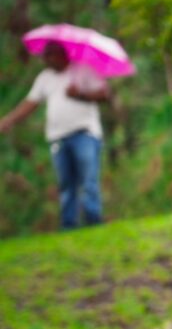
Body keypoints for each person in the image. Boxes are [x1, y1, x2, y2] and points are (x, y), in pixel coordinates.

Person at [0, 41, 109, 229]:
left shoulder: (83, 70)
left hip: (84, 134)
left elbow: (104, 95)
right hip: (58, 137)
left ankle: (93, 221)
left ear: (62, 54)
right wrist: (8, 120)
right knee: (66, 183)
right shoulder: (45, 78)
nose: (46, 59)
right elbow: (30, 103)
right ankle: (69, 225)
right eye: (45, 55)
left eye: (50, 54)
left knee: (88, 180)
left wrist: (80, 94)